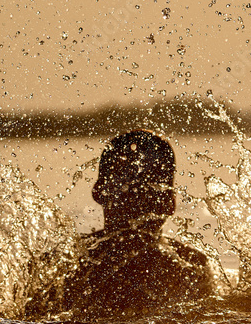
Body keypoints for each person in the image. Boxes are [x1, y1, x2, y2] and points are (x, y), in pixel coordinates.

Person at [59, 129, 215, 311]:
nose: (137, 199)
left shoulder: (65, 265)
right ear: (170, 202)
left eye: (146, 190)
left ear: (99, 193)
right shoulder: (192, 267)